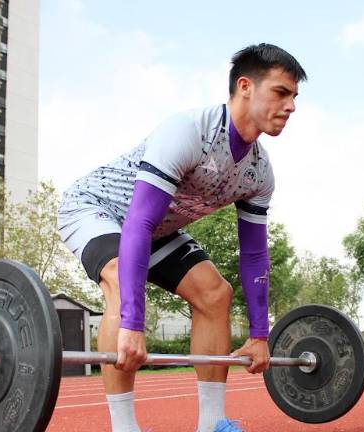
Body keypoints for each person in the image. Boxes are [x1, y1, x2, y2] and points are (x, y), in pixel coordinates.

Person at [57, 43, 307, 432]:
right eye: (281, 92)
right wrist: (132, 324)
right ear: (245, 86)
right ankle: (125, 428)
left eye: (294, 96)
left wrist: (260, 335)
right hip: (97, 208)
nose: (291, 106)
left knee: (215, 294)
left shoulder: (259, 172)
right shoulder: (189, 132)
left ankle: (211, 424)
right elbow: (138, 220)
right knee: (124, 282)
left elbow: (255, 254)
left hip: (158, 227)